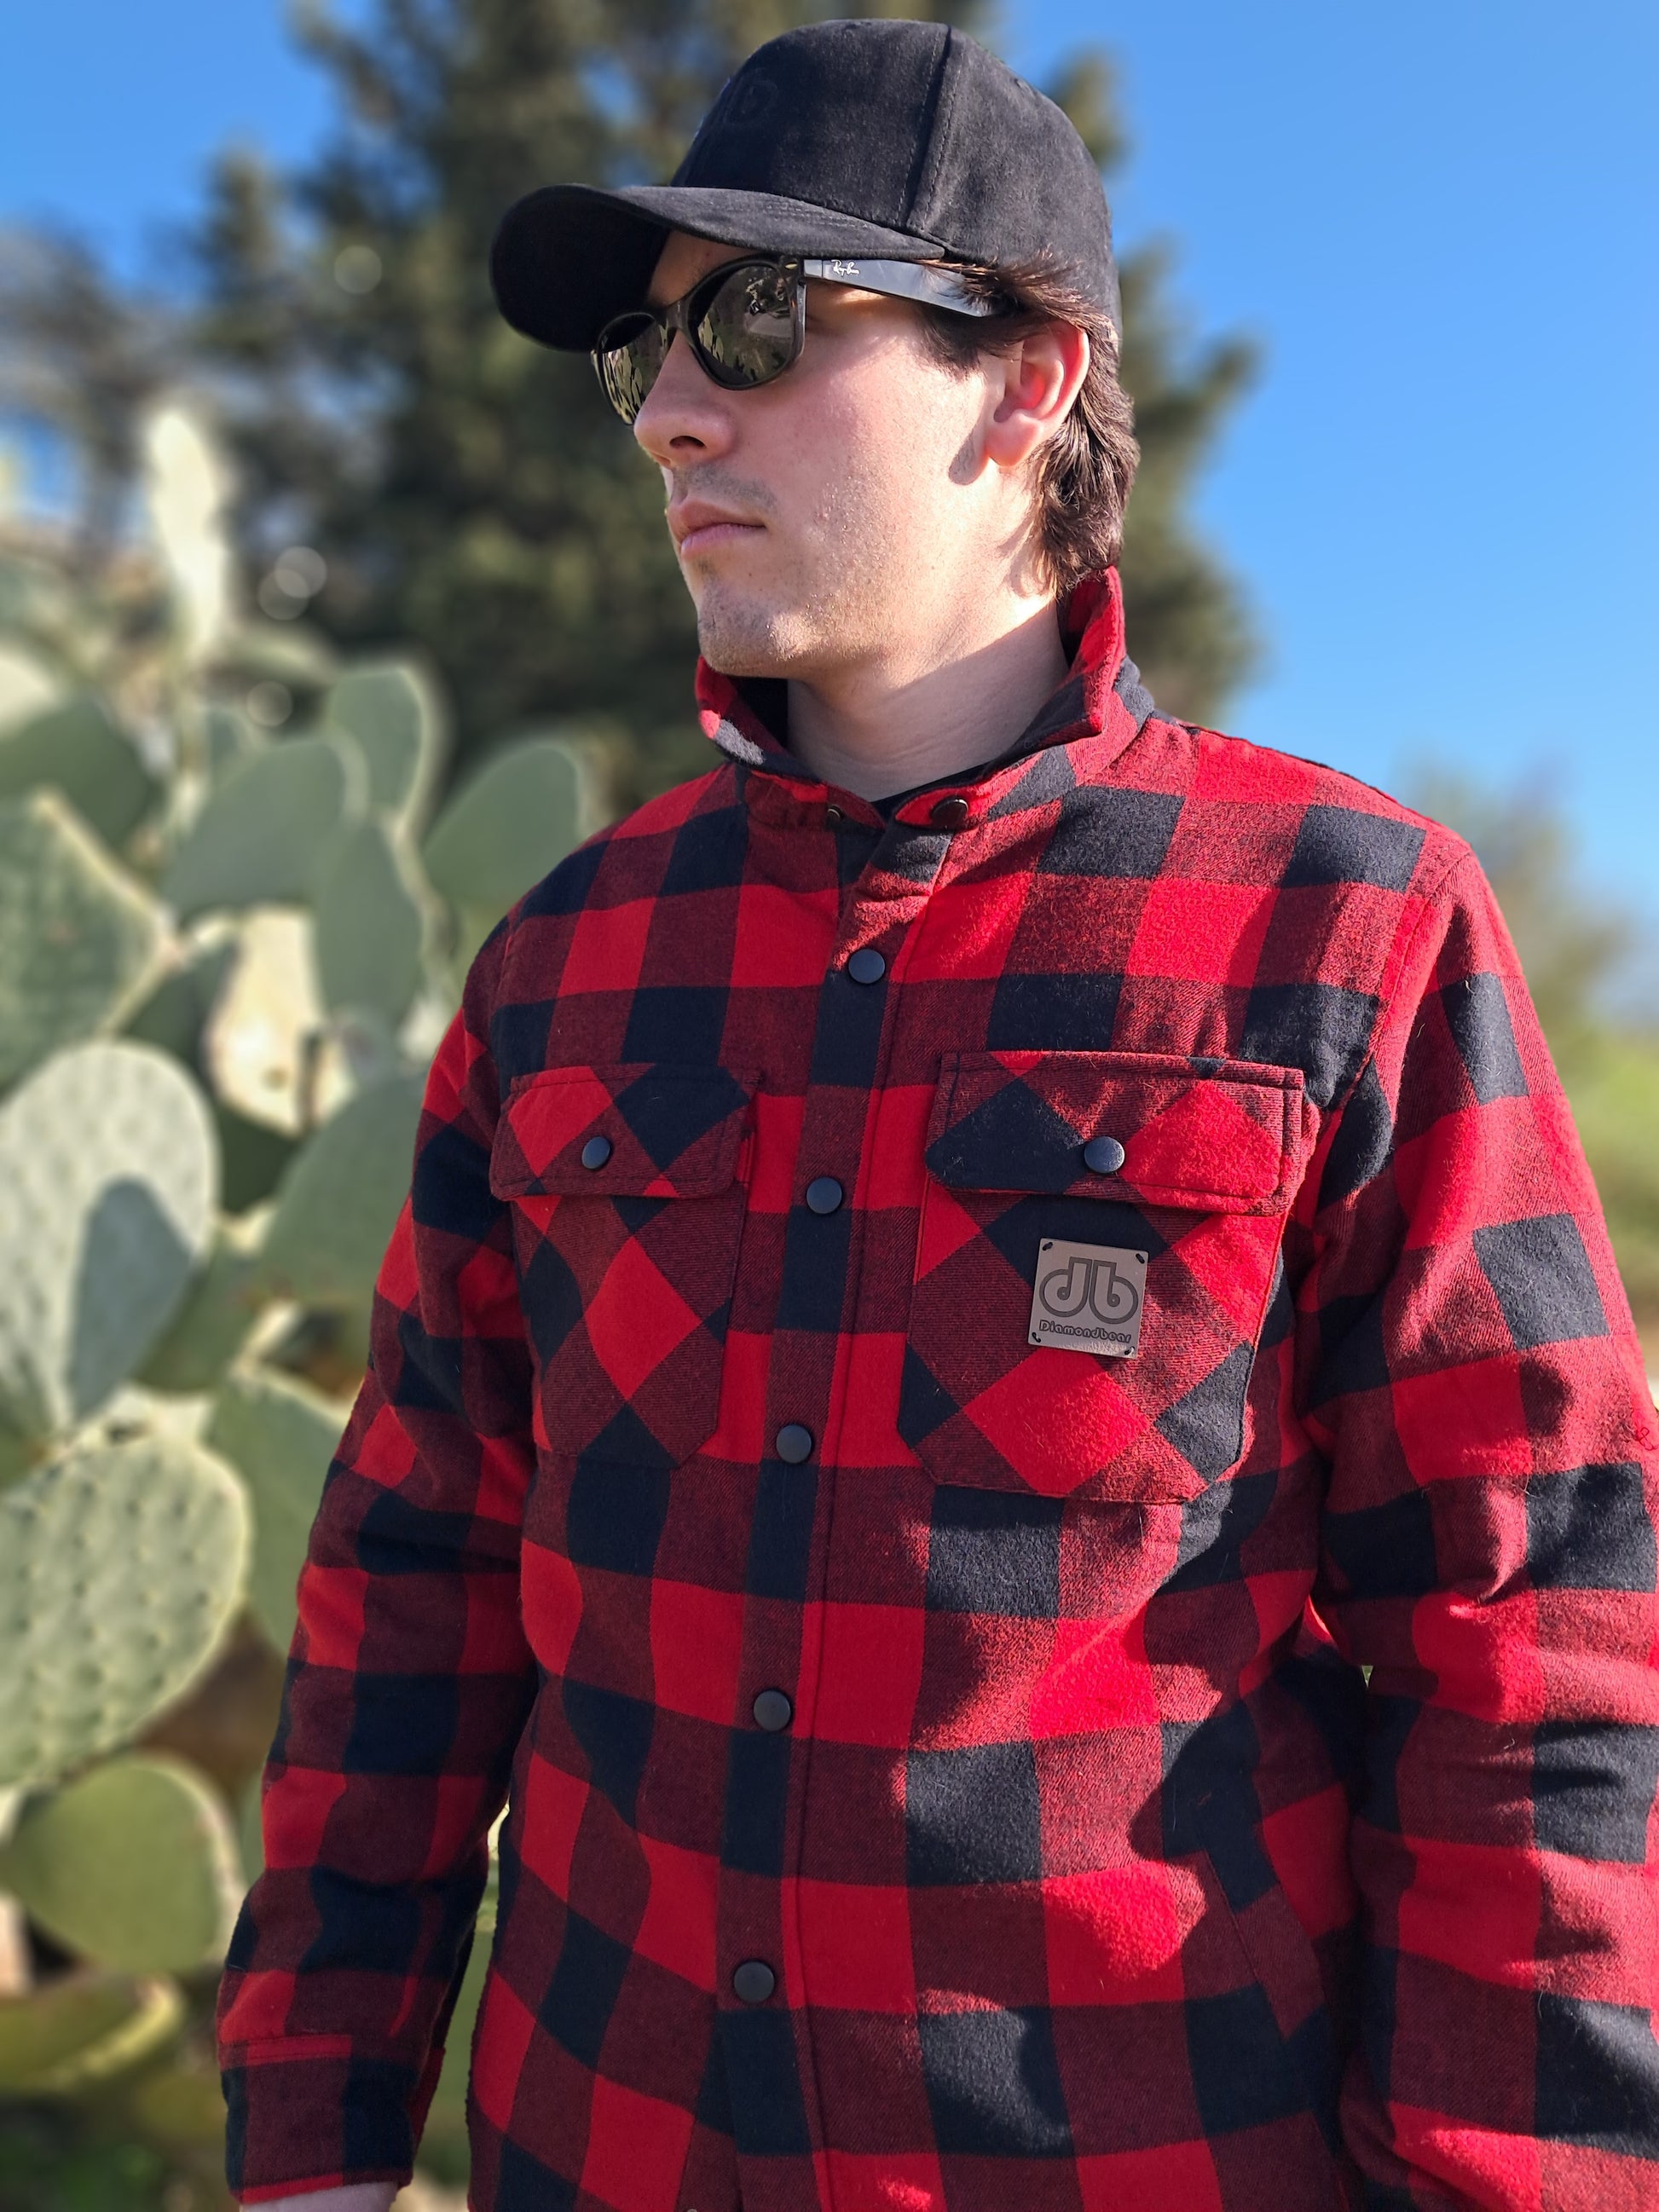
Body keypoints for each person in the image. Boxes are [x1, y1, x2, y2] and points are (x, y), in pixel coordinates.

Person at [217, 20, 1659, 2212]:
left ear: (1027, 381)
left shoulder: (1351, 925)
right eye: (647, 353)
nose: (671, 409)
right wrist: (312, 2137)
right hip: (602, 2150)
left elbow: (1539, 1641)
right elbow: (410, 1587)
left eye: (756, 322)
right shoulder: (564, 964)